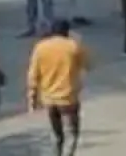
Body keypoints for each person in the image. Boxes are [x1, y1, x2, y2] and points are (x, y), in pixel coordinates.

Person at [27, 19, 90, 156]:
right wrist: (78, 42)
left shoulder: (40, 47)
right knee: (72, 134)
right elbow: (88, 64)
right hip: (68, 99)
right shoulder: (73, 46)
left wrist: (32, 98)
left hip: (49, 99)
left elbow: (33, 75)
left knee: (57, 135)